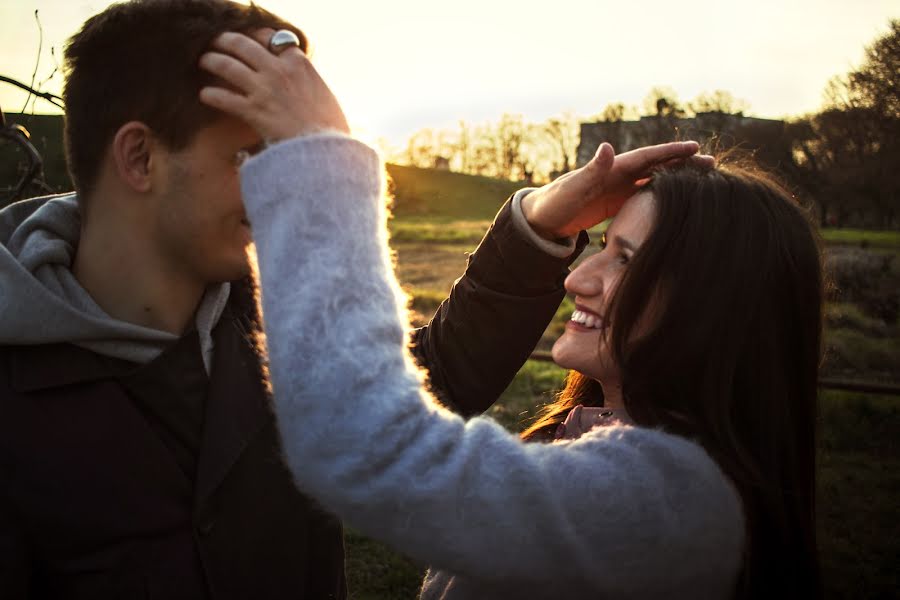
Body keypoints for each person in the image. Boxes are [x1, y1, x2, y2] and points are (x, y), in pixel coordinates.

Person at [0, 1, 704, 598]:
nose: (285, 185)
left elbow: (430, 380)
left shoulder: (279, 315)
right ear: (139, 157)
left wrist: (541, 223)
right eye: (254, 155)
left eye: (290, 153)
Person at [201, 26, 824, 600]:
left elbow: (374, 447)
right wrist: (541, 221)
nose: (577, 276)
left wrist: (320, 160)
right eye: (599, 244)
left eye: (625, 260)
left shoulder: (667, 502)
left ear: (710, 307)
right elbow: (428, 386)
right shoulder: (606, 451)